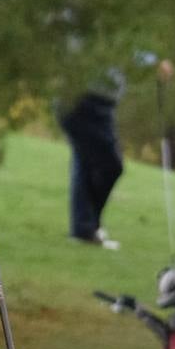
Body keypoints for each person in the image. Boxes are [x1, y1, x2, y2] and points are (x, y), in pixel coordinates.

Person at [57, 68, 127, 250]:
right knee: (112, 166)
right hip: (85, 101)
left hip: (98, 103)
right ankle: (86, 227)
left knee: (85, 164)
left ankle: (85, 229)